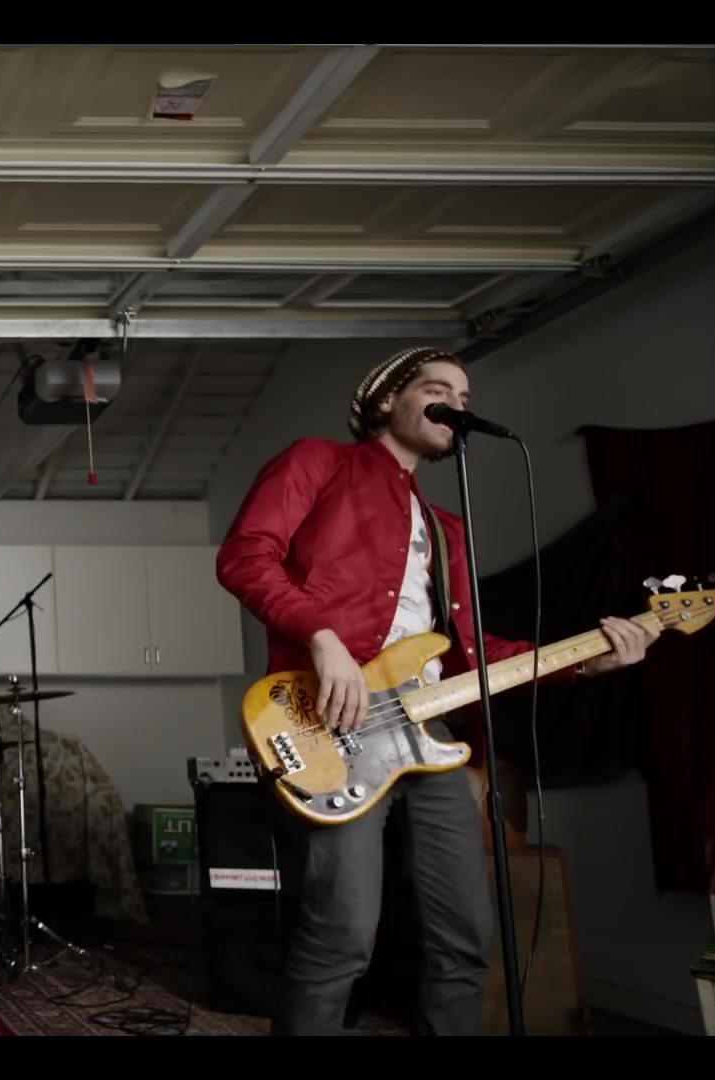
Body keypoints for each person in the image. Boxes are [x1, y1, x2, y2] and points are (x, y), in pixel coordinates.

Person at [215, 346, 658, 1036]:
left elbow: (472, 656)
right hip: (334, 720)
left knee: (466, 935)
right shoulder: (320, 461)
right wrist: (323, 639)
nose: (456, 402)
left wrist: (584, 662)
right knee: (341, 935)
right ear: (387, 400)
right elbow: (245, 555)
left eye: (465, 394)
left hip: (432, 734)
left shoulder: (447, 529)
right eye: (437, 389)